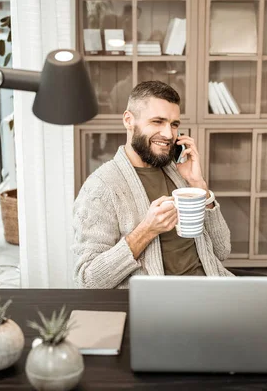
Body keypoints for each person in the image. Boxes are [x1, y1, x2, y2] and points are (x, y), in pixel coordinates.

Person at [73, 80, 233, 289]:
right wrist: (147, 230)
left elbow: (222, 250)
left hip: (212, 288)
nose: (168, 134)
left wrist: (198, 184)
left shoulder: (179, 175)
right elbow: (88, 280)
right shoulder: (101, 187)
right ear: (129, 120)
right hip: (158, 302)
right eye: (157, 121)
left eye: (174, 124)